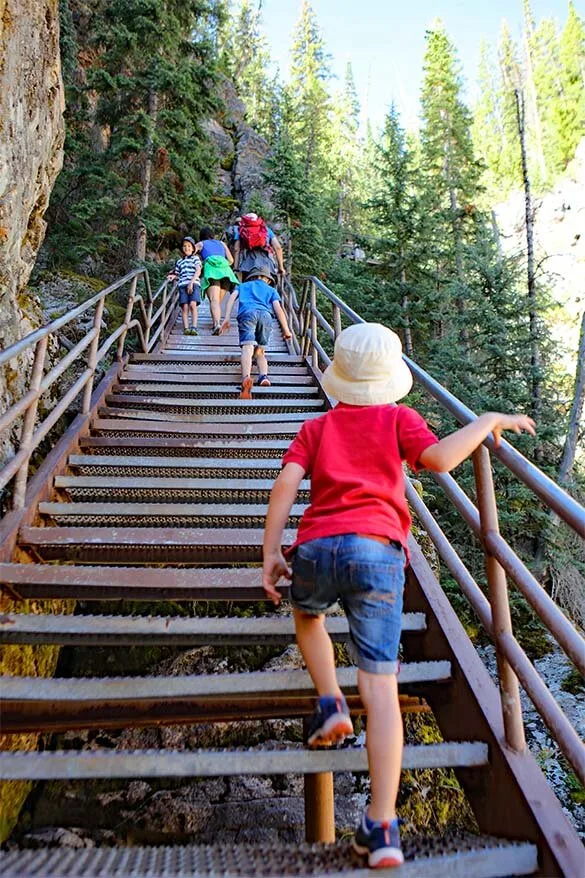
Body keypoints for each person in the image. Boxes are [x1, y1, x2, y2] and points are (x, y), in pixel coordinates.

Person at [261, 322, 535, 870]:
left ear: (339, 381)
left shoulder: (314, 427)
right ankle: (381, 825)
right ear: (391, 381)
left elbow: (287, 484)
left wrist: (271, 551)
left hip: (316, 547)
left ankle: (329, 702)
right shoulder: (399, 419)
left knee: (308, 615)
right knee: (381, 687)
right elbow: (436, 461)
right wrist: (484, 422)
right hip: (379, 553)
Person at [220, 268, 292, 399]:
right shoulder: (271, 290)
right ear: (268, 280)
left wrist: (226, 318)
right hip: (265, 316)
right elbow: (278, 309)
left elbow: (231, 298)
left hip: (247, 314)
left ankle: (246, 378)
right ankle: (264, 376)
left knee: (248, 348)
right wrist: (286, 329)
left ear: (252, 277)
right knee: (260, 352)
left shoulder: (243, 286)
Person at [196, 227, 239, 334]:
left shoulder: (201, 244)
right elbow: (231, 260)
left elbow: (190, 255)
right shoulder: (221, 243)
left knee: (214, 300)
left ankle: (217, 324)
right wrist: (222, 265)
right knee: (217, 302)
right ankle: (216, 322)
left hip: (212, 272)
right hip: (226, 273)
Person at [233, 213, 285, 281]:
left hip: (248, 264)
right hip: (266, 263)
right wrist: (281, 267)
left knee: (247, 287)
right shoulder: (266, 230)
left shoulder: (241, 230)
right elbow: (277, 248)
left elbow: (236, 249)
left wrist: (236, 267)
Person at [167, 236, 202, 335]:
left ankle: (194, 327)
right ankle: (186, 328)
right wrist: (172, 276)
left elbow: (198, 270)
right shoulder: (180, 261)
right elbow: (177, 274)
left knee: (192, 304)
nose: (187, 248)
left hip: (194, 284)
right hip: (183, 285)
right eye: (185, 246)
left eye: (189, 246)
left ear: (193, 248)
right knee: (185, 307)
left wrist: (191, 282)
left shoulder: (195, 259)